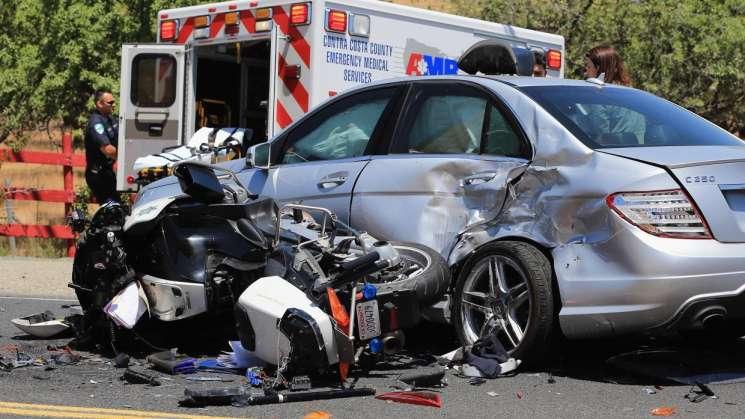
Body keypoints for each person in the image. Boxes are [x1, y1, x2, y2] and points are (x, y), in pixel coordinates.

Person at [84, 90, 120, 203]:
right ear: (99, 104)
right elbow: (107, 149)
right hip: (98, 175)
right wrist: (127, 158)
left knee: (116, 208)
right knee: (111, 209)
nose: (114, 104)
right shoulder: (96, 123)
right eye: (110, 102)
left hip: (108, 173)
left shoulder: (110, 119)